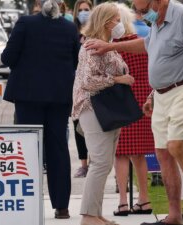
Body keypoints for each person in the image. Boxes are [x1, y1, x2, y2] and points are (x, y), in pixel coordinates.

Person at [85, 0, 183, 225]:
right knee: (163, 153)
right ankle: (175, 215)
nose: (139, 15)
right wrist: (111, 47)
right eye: (136, 10)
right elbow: (148, 46)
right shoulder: (157, 21)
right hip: (162, 94)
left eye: (143, 10)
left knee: (177, 145)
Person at [1, 0, 79, 219]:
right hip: (59, 96)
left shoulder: (25, 23)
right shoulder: (69, 27)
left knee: (28, 149)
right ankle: (61, 207)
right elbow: (75, 61)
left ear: (38, 5)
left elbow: (8, 58)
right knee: (59, 150)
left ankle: (28, 203)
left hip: (28, 97)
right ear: (60, 6)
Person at [72, 3, 134, 225]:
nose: (120, 23)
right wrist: (118, 79)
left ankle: (95, 214)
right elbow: (88, 81)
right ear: (107, 21)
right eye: (117, 19)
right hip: (93, 108)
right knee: (99, 163)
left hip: (105, 109)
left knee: (104, 164)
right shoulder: (91, 46)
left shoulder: (107, 45)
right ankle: (88, 217)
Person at [111, 3, 154, 217]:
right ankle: (144, 200)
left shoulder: (113, 46)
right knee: (138, 154)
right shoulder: (143, 43)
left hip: (122, 102)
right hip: (143, 100)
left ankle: (122, 202)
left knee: (120, 153)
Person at [72, 0, 93, 178]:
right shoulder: (72, 32)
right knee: (78, 124)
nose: (84, 13)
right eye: (81, 10)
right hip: (77, 84)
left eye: (87, 10)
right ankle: (83, 163)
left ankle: (94, 160)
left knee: (94, 124)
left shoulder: (97, 31)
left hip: (94, 85)